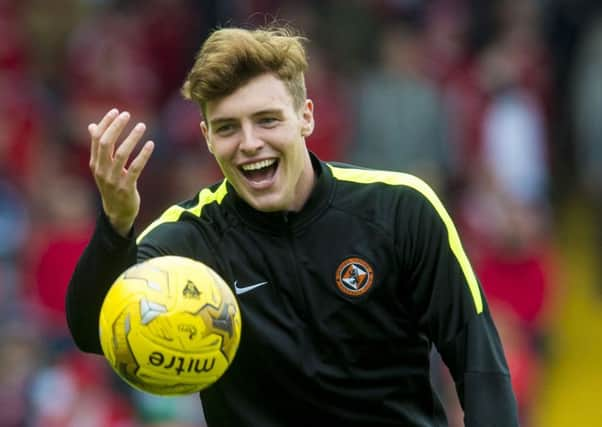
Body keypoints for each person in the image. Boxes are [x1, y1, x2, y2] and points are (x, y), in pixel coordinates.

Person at [65, 25, 519, 426]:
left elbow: (477, 361)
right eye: (226, 128)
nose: (248, 143)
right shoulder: (191, 236)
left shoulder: (400, 208)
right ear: (206, 137)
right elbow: (93, 333)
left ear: (306, 117)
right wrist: (116, 223)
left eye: (266, 120)